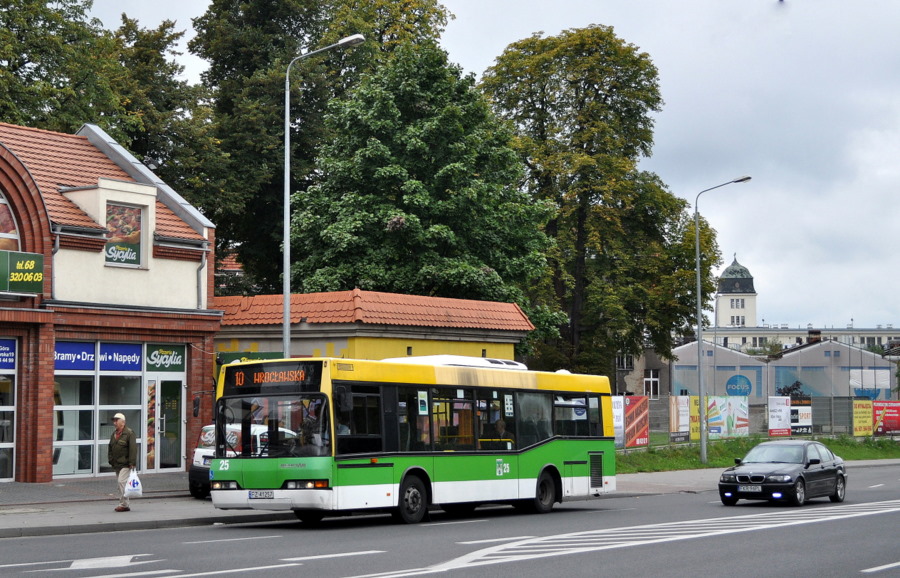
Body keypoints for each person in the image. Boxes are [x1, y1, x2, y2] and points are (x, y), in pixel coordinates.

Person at [108, 412, 137, 512]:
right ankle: (124, 503)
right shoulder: (114, 434)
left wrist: (132, 463)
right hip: (117, 464)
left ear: (123, 422)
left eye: (116, 420)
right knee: (120, 484)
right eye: (114, 421)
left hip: (126, 464)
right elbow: (110, 448)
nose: (114, 423)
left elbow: (133, 448)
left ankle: (124, 504)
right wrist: (111, 460)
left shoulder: (129, 433)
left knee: (121, 482)